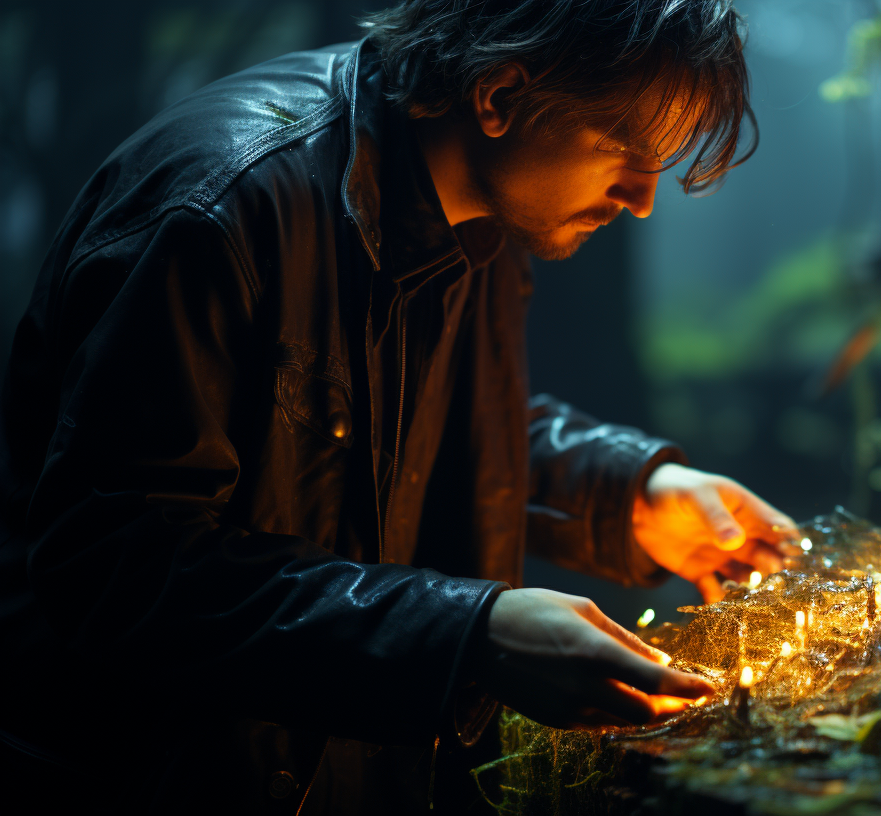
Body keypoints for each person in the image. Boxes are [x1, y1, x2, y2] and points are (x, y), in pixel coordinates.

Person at [0, 1, 790, 812]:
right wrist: (468, 638)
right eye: (622, 148)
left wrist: (630, 496)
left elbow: (410, 422)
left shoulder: (477, 213)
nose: (642, 196)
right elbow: (116, 564)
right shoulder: (220, 209)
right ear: (500, 97)